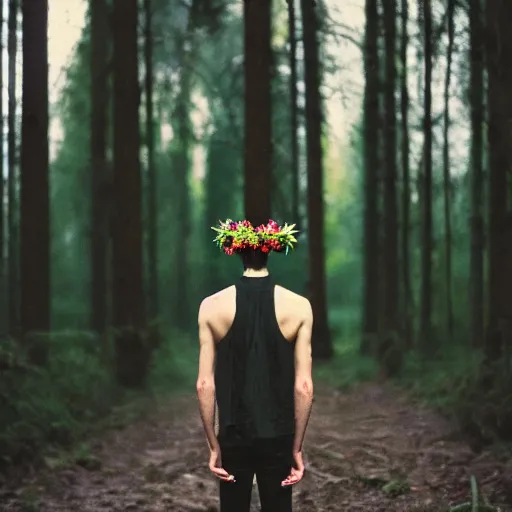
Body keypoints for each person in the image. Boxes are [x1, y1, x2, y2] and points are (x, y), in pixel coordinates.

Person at [196, 218, 314, 512]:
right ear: (271, 251)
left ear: (237, 251)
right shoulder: (299, 306)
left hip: (233, 435)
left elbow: (204, 384)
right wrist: (296, 447)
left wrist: (214, 445)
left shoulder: (211, 306)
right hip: (278, 435)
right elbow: (304, 385)